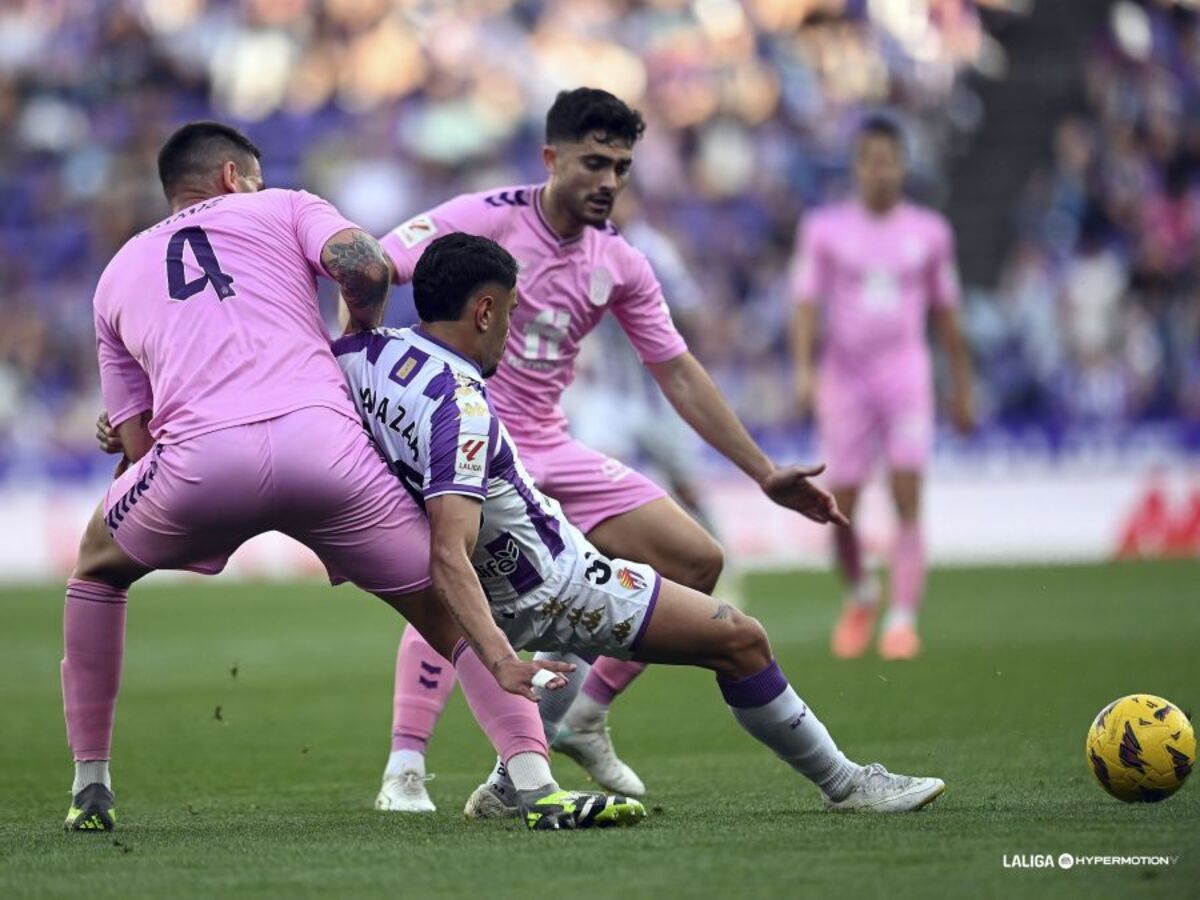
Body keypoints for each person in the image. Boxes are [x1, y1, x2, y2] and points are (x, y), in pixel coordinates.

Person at [71, 121, 637, 834]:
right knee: (448, 609)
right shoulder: (281, 204)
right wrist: (358, 330)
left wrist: (138, 438)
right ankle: (534, 783)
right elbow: (365, 263)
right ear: (231, 178)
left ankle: (90, 785)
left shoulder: (116, 272)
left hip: (201, 465)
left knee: (95, 569)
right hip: (325, 448)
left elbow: (134, 441)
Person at [336, 231, 947, 819]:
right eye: (513, 313)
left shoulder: (364, 356)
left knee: (670, 577)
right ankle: (846, 785)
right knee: (740, 640)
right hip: (556, 581)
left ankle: (506, 779)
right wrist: (499, 659)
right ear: (486, 310)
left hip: (509, 583)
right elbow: (451, 549)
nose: (514, 332)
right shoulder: (461, 402)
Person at [370, 88, 849, 812]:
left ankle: (582, 716)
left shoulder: (621, 262)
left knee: (698, 561)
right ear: (550, 158)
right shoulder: (483, 215)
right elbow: (377, 264)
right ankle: (405, 767)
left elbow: (678, 372)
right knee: (453, 575)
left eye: (622, 167)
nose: (608, 182)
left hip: (552, 445)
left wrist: (762, 472)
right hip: (468, 441)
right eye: (594, 162)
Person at [790, 116, 975, 661]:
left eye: (889, 159)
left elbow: (947, 315)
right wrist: (803, 368)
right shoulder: (824, 229)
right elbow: (805, 304)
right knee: (838, 503)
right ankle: (862, 593)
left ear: (902, 164)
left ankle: (901, 618)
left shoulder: (931, 232)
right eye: (870, 160)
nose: (880, 170)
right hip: (844, 379)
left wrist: (963, 385)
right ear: (857, 165)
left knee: (906, 494)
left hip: (906, 375)